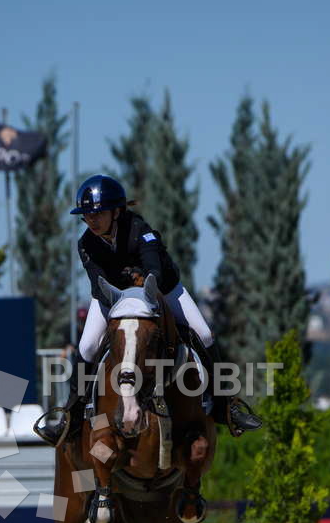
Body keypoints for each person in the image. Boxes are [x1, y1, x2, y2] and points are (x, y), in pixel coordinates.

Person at [40, 174, 262, 446]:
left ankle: (226, 406)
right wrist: (122, 297)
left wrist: (143, 282)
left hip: (162, 290)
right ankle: (71, 417)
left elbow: (154, 268)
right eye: (87, 215)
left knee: (204, 334)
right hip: (113, 299)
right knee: (86, 347)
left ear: (116, 211)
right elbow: (98, 285)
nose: (92, 220)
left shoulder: (139, 229)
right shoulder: (86, 243)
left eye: (98, 214)